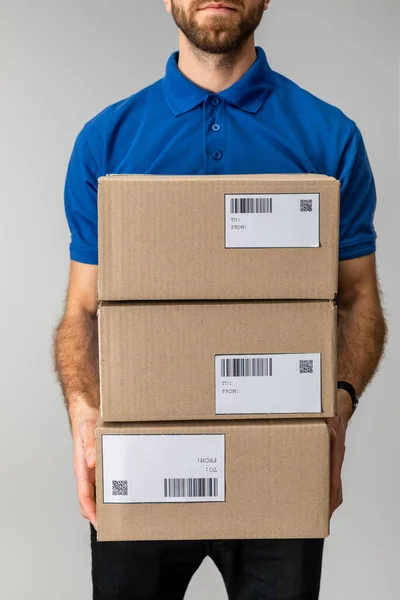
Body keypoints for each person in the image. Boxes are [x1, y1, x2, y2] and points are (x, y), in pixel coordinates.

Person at [53, 1, 387, 598]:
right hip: (145, 460)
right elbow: (83, 307)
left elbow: (360, 296)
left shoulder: (328, 136)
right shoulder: (106, 141)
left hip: (277, 461)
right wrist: (84, 412)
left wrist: (337, 409)